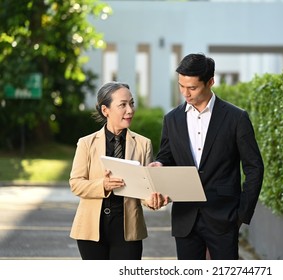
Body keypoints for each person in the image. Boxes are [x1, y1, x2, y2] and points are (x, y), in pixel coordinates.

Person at [149, 53, 264, 260]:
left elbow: (254, 167)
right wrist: (159, 164)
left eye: (192, 88)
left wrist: (242, 214)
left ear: (210, 81)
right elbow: (166, 156)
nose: (185, 93)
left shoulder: (236, 118)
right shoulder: (172, 119)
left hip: (224, 216)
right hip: (185, 217)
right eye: (181, 86)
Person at [69, 81, 168, 260]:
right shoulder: (86, 143)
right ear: (105, 110)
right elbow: (76, 184)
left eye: (131, 103)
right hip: (91, 229)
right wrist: (103, 185)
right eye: (122, 105)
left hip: (128, 229)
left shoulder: (143, 144)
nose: (130, 110)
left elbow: (146, 189)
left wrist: (152, 200)